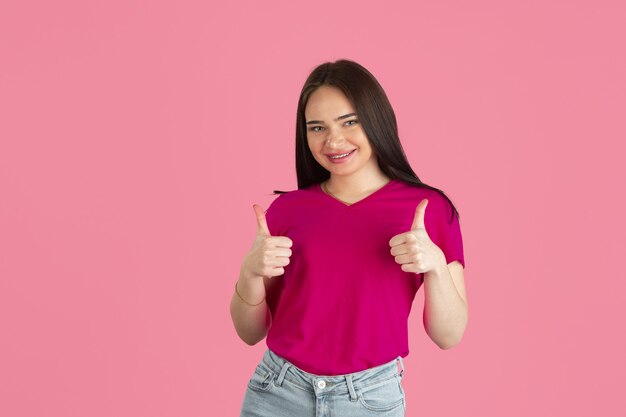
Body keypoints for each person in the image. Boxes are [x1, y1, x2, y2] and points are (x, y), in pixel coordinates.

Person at [230, 59, 467, 417]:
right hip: (278, 391)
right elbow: (249, 333)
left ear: (377, 119)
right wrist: (249, 273)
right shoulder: (286, 211)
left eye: (349, 122)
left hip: (369, 400)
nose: (333, 141)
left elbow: (449, 336)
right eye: (317, 128)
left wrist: (435, 265)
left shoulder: (429, 209)